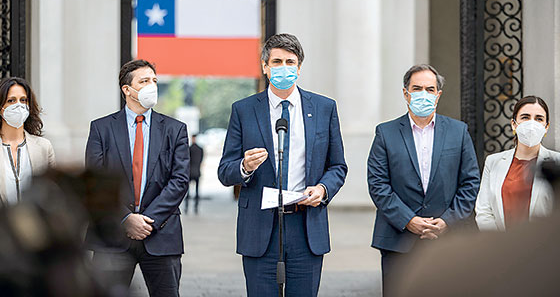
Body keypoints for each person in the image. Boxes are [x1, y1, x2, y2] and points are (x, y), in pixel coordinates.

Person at [218, 33, 348, 297]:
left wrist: (323, 189)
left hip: (306, 224)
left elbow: (337, 166)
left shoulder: (323, 108)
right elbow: (225, 170)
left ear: (299, 67)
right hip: (260, 227)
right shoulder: (244, 110)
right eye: (276, 62)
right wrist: (245, 166)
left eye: (290, 62)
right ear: (265, 67)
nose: (284, 68)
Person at [366, 64, 480, 296]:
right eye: (417, 88)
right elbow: (378, 184)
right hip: (398, 240)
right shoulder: (385, 133)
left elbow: (470, 183)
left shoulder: (458, 132)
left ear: (438, 95)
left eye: (430, 89)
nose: (423, 94)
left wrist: (446, 220)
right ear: (406, 93)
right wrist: (408, 220)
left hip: (448, 240)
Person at [85, 59, 189, 297]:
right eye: (144, 81)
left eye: (154, 80)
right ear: (127, 89)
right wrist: (125, 218)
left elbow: (179, 180)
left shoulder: (175, 129)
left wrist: (147, 220)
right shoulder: (101, 128)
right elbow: (94, 179)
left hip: (161, 234)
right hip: (112, 234)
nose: (152, 85)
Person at [0, 77, 56, 209]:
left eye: (23, 100)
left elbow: (52, 196)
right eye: (11, 101)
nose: (19, 105)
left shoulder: (44, 147)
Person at [475, 95, 560, 231]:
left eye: (539, 119)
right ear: (514, 124)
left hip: (545, 248)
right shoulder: (493, 162)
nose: (532, 124)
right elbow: (484, 211)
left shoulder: (556, 162)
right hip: (500, 247)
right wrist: (499, 245)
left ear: (546, 126)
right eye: (525, 117)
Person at [185, 134, 203, 214]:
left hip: (189, 172)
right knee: (196, 190)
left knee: (187, 191)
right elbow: (201, 160)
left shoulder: (188, 149)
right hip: (197, 171)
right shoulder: (200, 149)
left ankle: (186, 207)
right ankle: (196, 207)